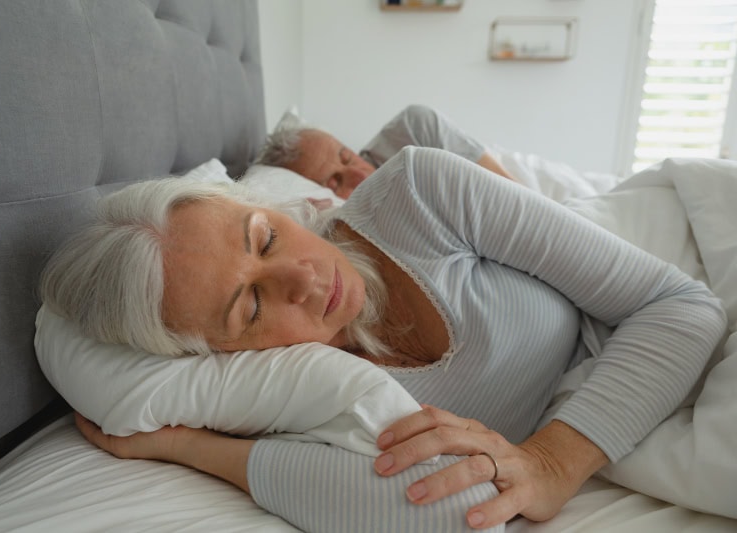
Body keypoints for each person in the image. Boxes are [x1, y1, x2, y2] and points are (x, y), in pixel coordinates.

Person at [41, 147, 726, 532]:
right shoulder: (289, 395)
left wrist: (551, 460)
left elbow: (682, 306)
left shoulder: (419, 191)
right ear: (219, 355)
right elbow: (449, 511)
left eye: (266, 238)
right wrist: (185, 445)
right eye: (249, 305)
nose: (305, 279)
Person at [255, 104, 517, 199]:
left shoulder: (413, 129)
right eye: (335, 183)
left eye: (347, 156)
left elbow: (514, 194)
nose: (360, 174)